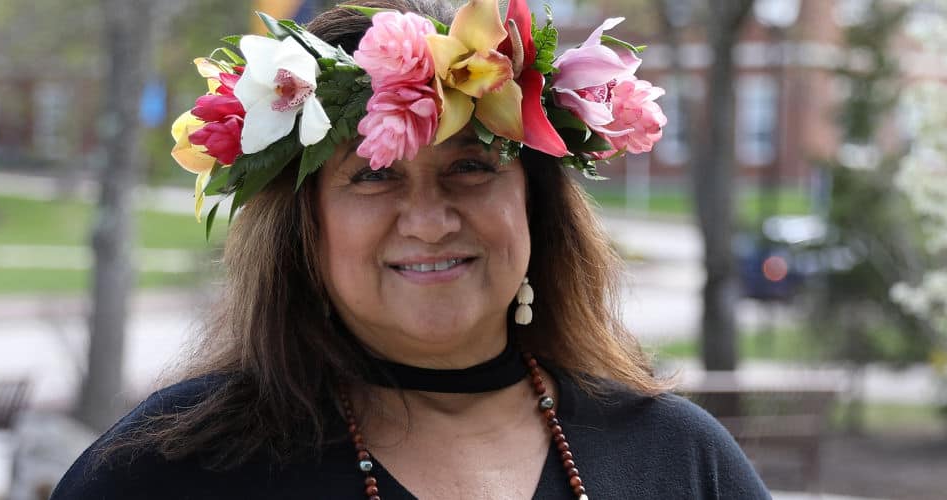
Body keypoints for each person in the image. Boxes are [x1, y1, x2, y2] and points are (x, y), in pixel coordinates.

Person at [50, 0, 769, 498]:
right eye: (372, 177)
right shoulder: (169, 473)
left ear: (535, 206)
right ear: (307, 229)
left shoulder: (677, 460)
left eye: (471, 167)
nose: (428, 221)